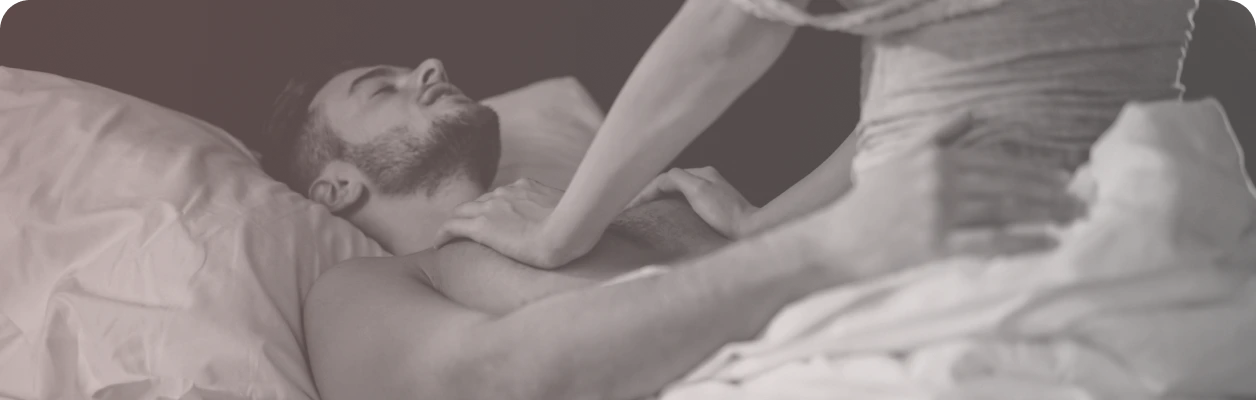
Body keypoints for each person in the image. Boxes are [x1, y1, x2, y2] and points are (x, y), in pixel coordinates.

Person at [259, 59, 1082, 399]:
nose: (430, 66)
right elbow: (494, 376)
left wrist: (769, 230)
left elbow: (877, 193)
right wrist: (820, 248)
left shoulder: (643, 201)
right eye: (383, 88)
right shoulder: (362, 288)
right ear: (336, 186)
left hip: (912, 315)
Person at [433, 0, 1199, 269]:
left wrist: (560, 234)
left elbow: (725, 31)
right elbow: (964, 82)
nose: (428, 68)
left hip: (978, 255)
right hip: (1149, 222)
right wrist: (768, 226)